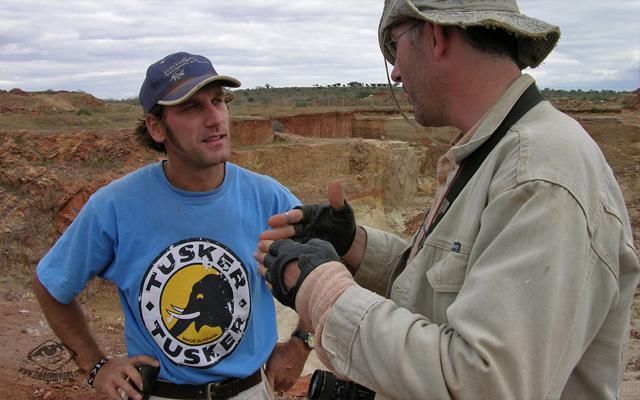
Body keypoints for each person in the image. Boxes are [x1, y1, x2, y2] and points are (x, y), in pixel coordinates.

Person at [255, 1, 640, 399]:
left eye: (394, 44)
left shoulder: (539, 173)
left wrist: (322, 290)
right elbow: (447, 292)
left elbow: (486, 384)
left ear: (436, 35)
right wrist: (354, 246)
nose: (396, 71)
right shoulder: (495, 153)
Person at [33, 52, 311, 400]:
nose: (214, 118)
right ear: (156, 127)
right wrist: (95, 365)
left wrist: (302, 342)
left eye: (218, 101)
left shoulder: (269, 198)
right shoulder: (116, 206)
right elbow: (50, 285)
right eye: (191, 108)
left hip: (252, 390)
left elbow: (325, 270)